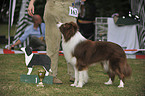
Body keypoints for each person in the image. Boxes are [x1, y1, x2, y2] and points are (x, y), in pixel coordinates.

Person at [28, 0, 77, 84]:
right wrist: (31, 2)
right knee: (52, 42)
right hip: (53, 5)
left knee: (73, 43)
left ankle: (74, 74)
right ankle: (51, 74)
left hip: (70, 6)